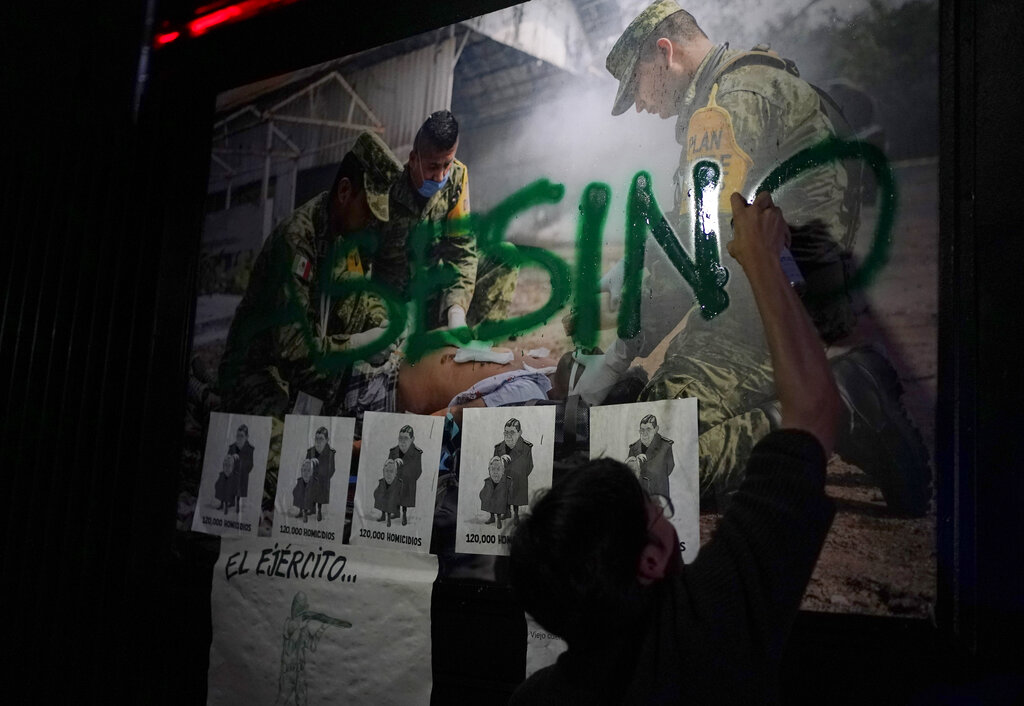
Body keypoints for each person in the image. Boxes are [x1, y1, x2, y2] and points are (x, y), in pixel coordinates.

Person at [579, 0, 929, 515]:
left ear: (664, 53)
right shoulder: (744, 84)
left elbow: (701, 251)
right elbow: (701, 222)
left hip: (766, 323)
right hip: (770, 305)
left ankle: (842, 400)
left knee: (651, 463)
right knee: (644, 418)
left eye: (639, 86)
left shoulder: (726, 106)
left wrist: (622, 351)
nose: (642, 106)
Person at [508, 191, 840, 705]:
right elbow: (815, 412)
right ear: (651, 560)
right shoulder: (712, 627)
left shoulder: (534, 700)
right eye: (653, 509)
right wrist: (760, 260)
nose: (663, 512)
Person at [218, 131, 403, 419]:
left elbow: (360, 298)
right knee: (286, 456)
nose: (370, 222)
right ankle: (212, 400)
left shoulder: (346, 240)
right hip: (260, 372)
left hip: (313, 380)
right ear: (344, 192)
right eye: (368, 209)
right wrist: (359, 349)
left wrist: (383, 325)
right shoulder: (296, 241)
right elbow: (294, 351)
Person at [372, 109, 518, 330]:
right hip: (396, 307)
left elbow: (462, 252)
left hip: (434, 295)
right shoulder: (386, 190)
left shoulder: (457, 178)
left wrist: (456, 310)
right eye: (432, 167)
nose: (440, 176)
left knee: (505, 256)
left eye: (446, 165)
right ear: (413, 159)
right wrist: (378, 322)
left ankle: (470, 351)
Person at [495, 418, 534, 527]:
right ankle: (507, 512)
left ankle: (516, 514)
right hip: (503, 478)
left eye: (512, 432)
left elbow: (530, 465)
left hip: (518, 477)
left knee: (516, 497)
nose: (508, 435)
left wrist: (521, 476)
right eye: (506, 432)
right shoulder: (499, 448)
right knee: (504, 495)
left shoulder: (526, 447)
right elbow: (494, 463)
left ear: (519, 432)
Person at [626, 414, 675, 496]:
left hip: (658, 494)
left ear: (656, 429)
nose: (644, 433)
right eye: (642, 430)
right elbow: (629, 473)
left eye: (648, 429)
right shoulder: (633, 448)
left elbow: (670, 467)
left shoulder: (666, 446)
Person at [388, 424, 423, 527]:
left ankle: (404, 514)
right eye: (400, 438)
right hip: (395, 479)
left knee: (404, 498)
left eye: (406, 438)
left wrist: (409, 478)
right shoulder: (393, 451)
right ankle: (396, 512)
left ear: (412, 439)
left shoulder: (417, 453)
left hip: (408, 481)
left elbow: (418, 470)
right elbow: (387, 465)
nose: (402, 441)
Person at [305, 426, 335, 522]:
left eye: (321, 439)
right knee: (311, 493)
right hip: (312, 478)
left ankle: (319, 511)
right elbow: (306, 464)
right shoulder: (311, 451)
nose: (318, 441)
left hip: (323, 480)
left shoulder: (330, 453)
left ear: (327, 440)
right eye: (316, 438)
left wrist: (324, 477)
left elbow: (332, 468)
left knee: (320, 497)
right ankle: (312, 508)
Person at [228, 423, 254, 512]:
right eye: (238, 435)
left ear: (246, 437)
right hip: (232, 471)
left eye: (242, 436)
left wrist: (244, 468)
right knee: (231, 487)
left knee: (239, 489)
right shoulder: (232, 447)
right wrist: (231, 457)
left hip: (242, 473)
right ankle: (231, 502)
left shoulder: (249, 449)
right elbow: (227, 458)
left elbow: (251, 463)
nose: (239, 438)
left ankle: (238, 503)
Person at [480, 456, 511, 529]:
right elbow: (482, 493)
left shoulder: (507, 481)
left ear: (503, 471)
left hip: (501, 501)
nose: (495, 472)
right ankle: (492, 517)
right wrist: (484, 496)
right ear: (489, 471)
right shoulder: (487, 482)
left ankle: (499, 518)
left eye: (498, 469)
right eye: (492, 469)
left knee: (499, 500)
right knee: (491, 498)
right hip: (492, 499)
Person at [373, 458, 402, 527]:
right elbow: (376, 491)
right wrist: (377, 494)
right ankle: (383, 515)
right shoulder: (382, 482)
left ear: (395, 473)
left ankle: (388, 518)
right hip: (385, 498)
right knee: (381, 496)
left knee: (390, 499)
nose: (388, 474)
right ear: (383, 471)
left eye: (391, 471)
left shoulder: (398, 483)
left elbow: (400, 495)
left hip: (394, 499)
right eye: (386, 471)